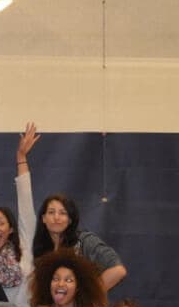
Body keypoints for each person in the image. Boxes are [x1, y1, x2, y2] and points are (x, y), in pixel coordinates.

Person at [20, 125, 127, 292]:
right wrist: (21, 157)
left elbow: (118, 270)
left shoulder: (85, 241)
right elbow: (24, 200)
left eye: (63, 213)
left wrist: (85, 299)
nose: (56, 217)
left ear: (70, 219)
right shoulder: (37, 246)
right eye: (51, 212)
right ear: (43, 218)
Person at [0, 122, 37, 304]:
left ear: (11, 229)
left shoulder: (25, 248)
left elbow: (26, 204)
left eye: (0, 222)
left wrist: (21, 157)